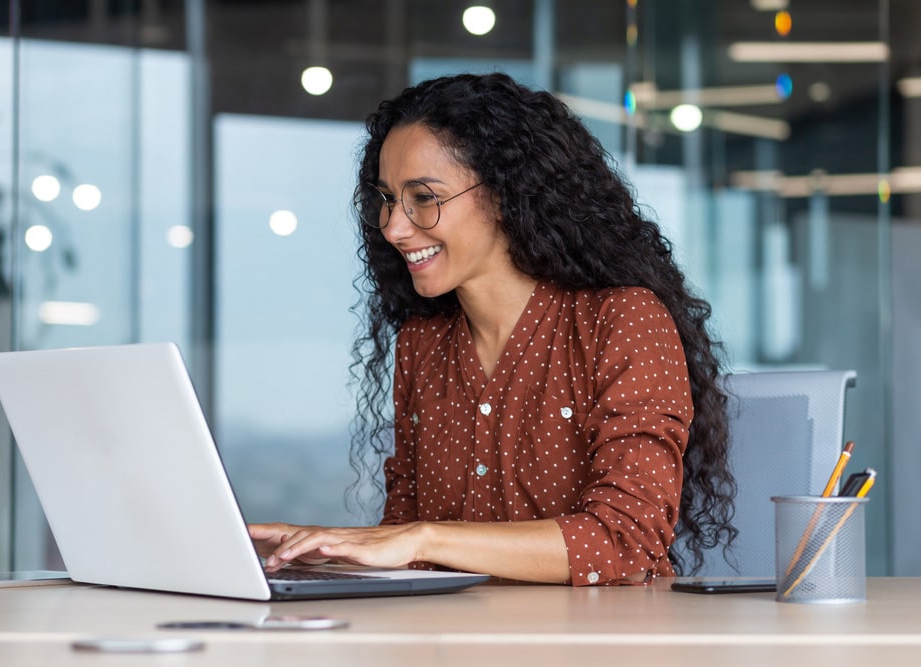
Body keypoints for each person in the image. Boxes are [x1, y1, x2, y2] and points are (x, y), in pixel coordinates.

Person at [248, 72, 736, 585]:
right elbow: (409, 551)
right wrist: (323, 552)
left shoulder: (621, 320)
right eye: (388, 199)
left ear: (505, 194)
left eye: (423, 197)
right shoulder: (422, 344)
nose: (394, 226)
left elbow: (624, 540)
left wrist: (424, 537)